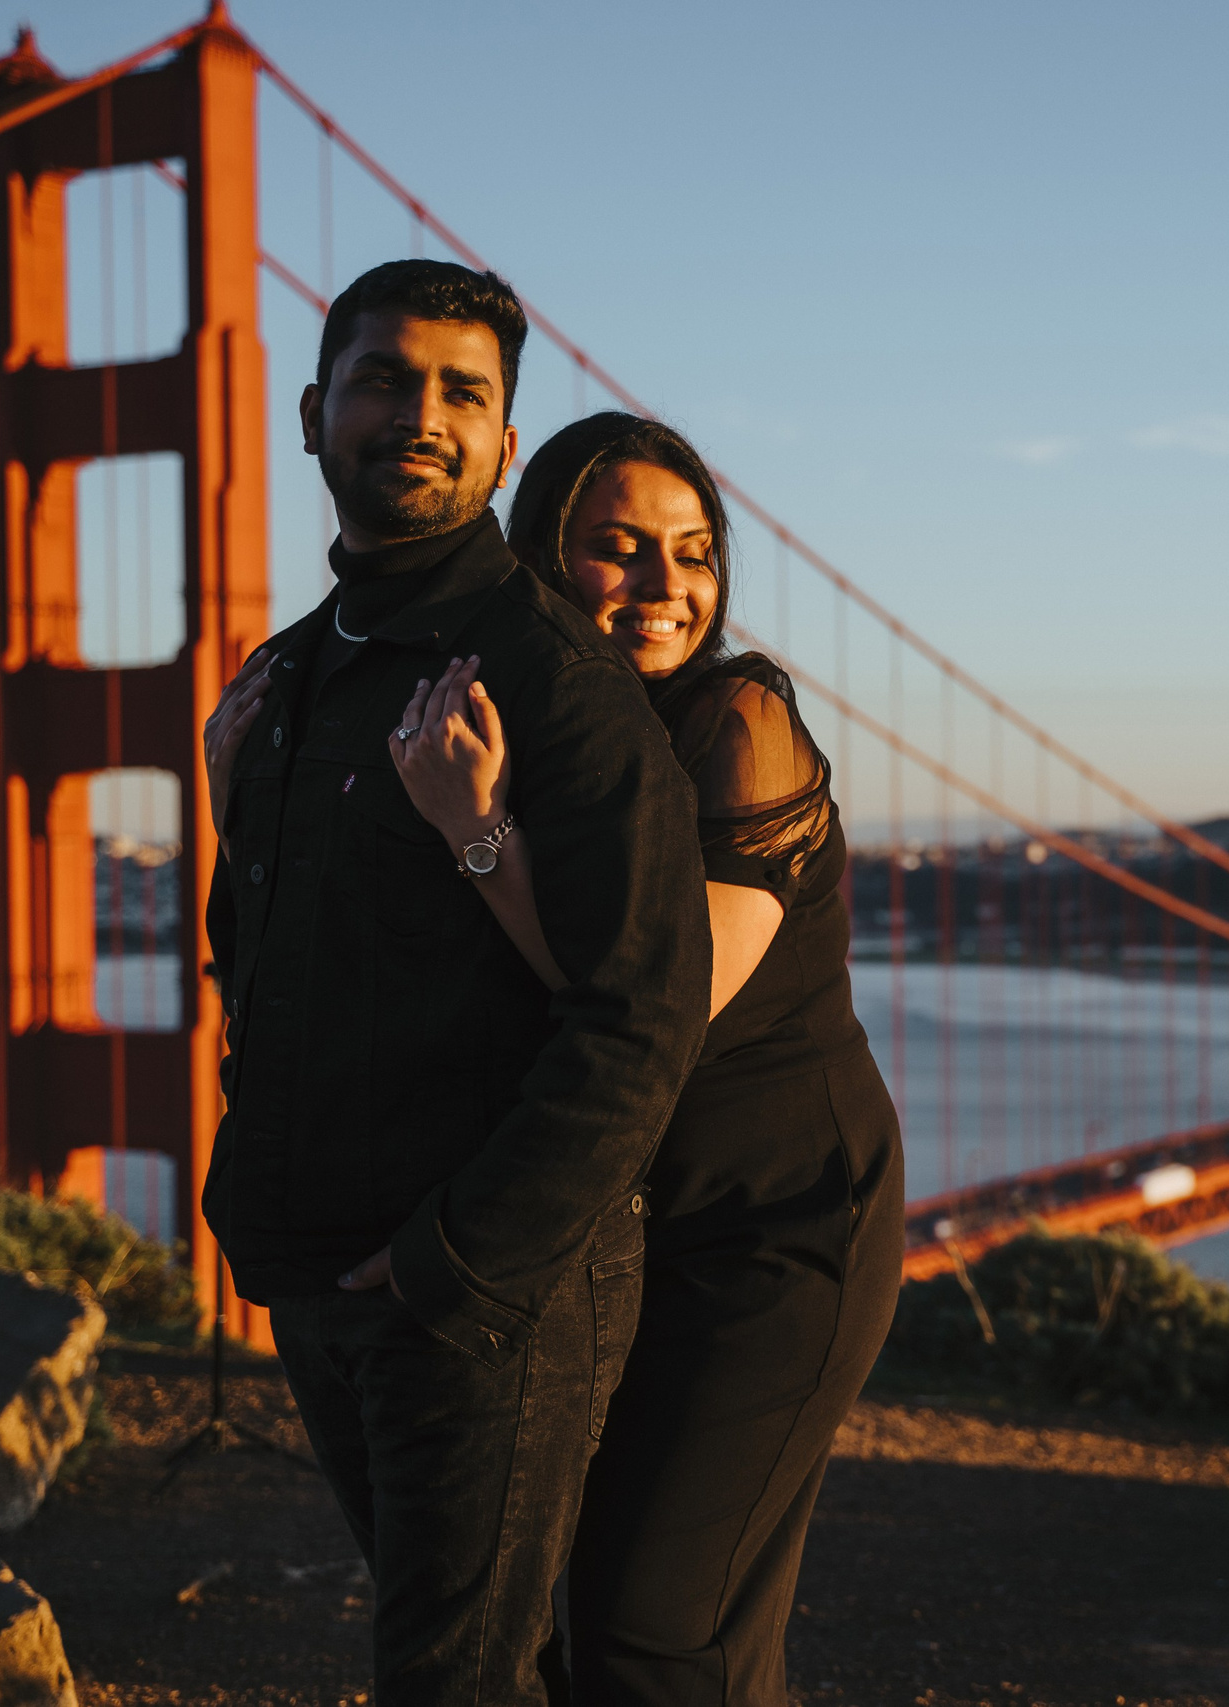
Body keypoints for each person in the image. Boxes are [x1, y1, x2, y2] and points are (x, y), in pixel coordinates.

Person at [198, 269, 711, 1707]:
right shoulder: (287, 680)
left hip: (488, 1288)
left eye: (462, 394)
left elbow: (640, 1021)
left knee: (447, 1680)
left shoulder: (554, 685)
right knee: (489, 1666)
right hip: (328, 1273)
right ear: (314, 417)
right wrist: (236, 821)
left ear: (499, 444)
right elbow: (269, 971)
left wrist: (456, 1263)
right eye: (382, 381)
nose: (418, 418)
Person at [385, 412, 905, 1706]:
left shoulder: (739, 721)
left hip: (777, 1227)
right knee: (594, 1625)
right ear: (541, 563)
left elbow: (654, 1011)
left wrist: (476, 837)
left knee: (660, 1636)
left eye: (693, 551)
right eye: (619, 549)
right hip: (621, 1230)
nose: (669, 585)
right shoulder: (533, 736)